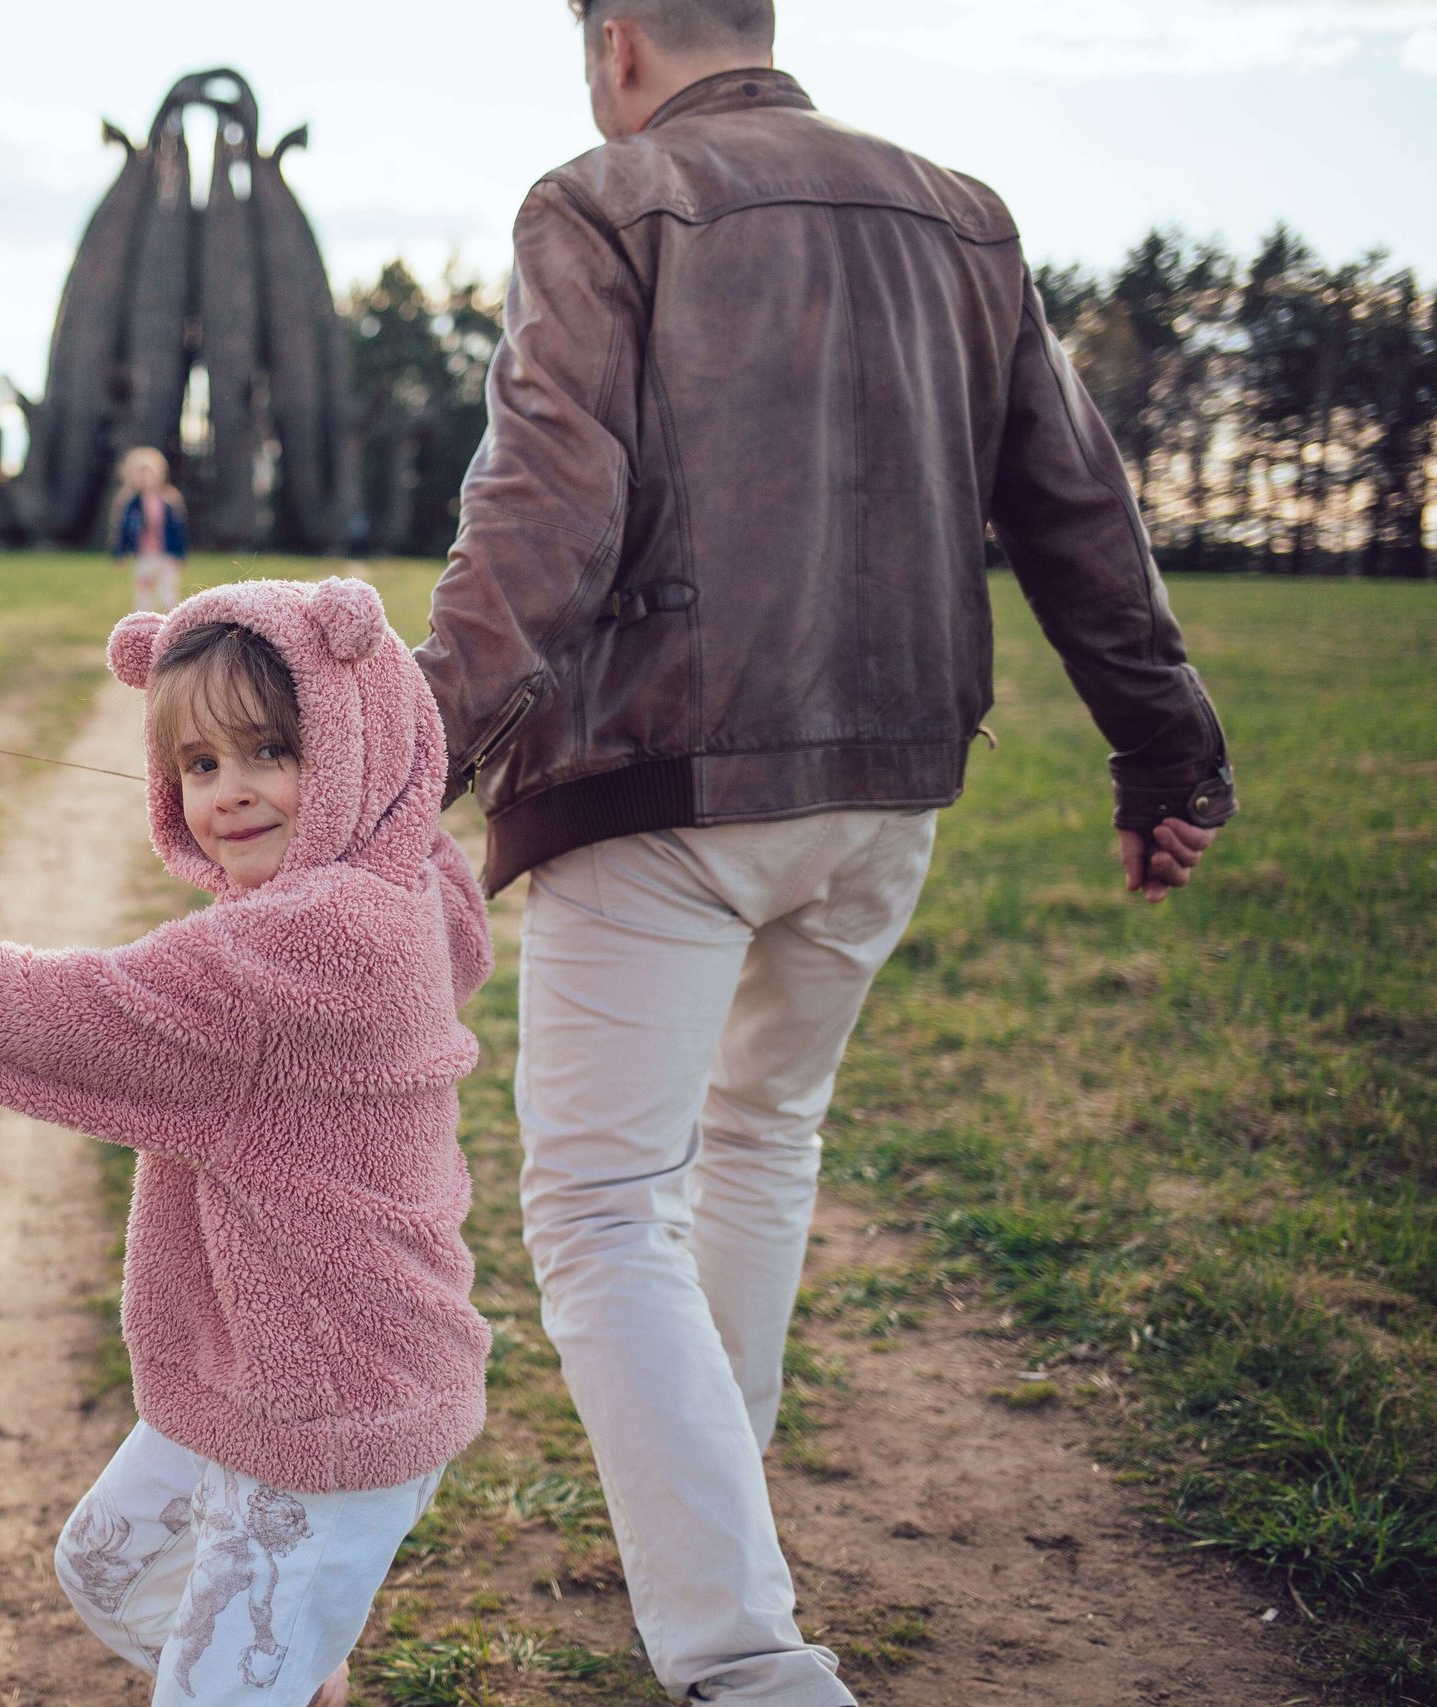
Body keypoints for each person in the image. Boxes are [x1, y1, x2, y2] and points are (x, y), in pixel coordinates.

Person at [411, 2, 1238, 1703]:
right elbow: (1077, 504)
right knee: (760, 1135)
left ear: (620, 38)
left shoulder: (604, 197)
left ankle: (738, 1650)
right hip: (887, 788)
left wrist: (397, 751)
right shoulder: (963, 212)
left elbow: (543, 508)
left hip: (667, 782)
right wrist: (1167, 749)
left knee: (599, 1203)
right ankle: (728, 1523)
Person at [0, 577, 494, 1707]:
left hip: (334, 1396)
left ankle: (277, 1672)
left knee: (212, 1689)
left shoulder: (311, 948)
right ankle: (301, 1678)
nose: (228, 795)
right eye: (198, 765)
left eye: (268, 753)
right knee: (106, 1571)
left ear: (356, 744)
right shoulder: (386, 877)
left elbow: (67, 1018)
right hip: (260, 1366)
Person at [114, 445, 191, 613]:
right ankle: (143, 627)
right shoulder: (131, 503)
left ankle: (170, 627)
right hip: (143, 554)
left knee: (168, 594)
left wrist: (180, 554)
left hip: (166, 554)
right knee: (143, 593)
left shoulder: (170, 501)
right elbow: (123, 531)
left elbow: (178, 530)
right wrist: (119, 553)